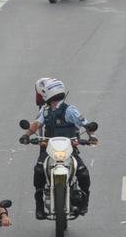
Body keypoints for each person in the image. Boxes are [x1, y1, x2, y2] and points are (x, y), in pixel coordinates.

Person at [21, 78, 96, 220]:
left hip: (69, 150)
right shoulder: (45, 111)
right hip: (49, 149)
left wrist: (92, 136)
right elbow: (36, 124)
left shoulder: (70, 110)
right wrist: (26, 135)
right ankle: (39, 204)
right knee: (38, 170)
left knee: (83, 173)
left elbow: (86, 124)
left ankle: (85, 200)